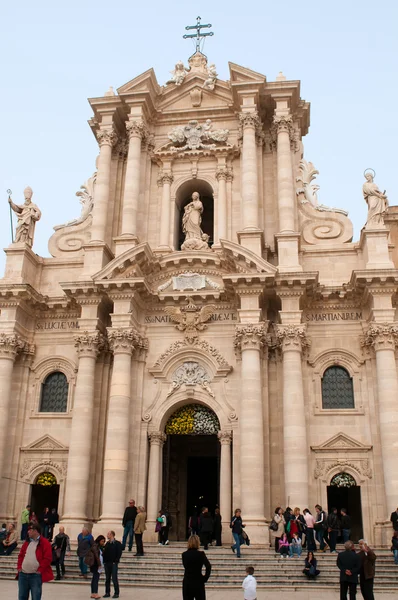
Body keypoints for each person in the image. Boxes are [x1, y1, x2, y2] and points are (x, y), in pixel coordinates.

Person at [16, 523, 54, 599]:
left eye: (30, 530)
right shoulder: (27, 542)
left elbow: (47, 558)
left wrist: (40, 570)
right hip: (23, 574)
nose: (28, 532)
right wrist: (19, 567)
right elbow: (21, 555)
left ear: (35, 531)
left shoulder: (45, 542)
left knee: (36, 597)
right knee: (22, 597)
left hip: (35, 576)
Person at [182, 534, 211, 600]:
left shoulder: (184, 554)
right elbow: (208, 566)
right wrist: (205, 578)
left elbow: (185, 566)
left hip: (187, 582)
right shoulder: (201, 554)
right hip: (198, 581)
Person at [103, 530, 122, 599]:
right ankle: (107, 592)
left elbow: (119, 552)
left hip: (113, 563)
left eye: (108, 534)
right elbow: (105, 553)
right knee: (107, 578)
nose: (107, 535)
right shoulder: (107, 543)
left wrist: (116, 561)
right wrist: (104, 561)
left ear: (112, 535)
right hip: (107, 563)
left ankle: (116, 593)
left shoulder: (117, 543)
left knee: (114, 578)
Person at [85, 534, 105, 600]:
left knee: (94, 579)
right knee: (96, 579)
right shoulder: (95, 546)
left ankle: (93, 593)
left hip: (96, 564)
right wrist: (99, 565)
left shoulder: (98, 546)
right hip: (95, 564)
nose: (103, 543)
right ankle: (95, 593)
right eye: (102, 541)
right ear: (99, 541)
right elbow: (97, 556)